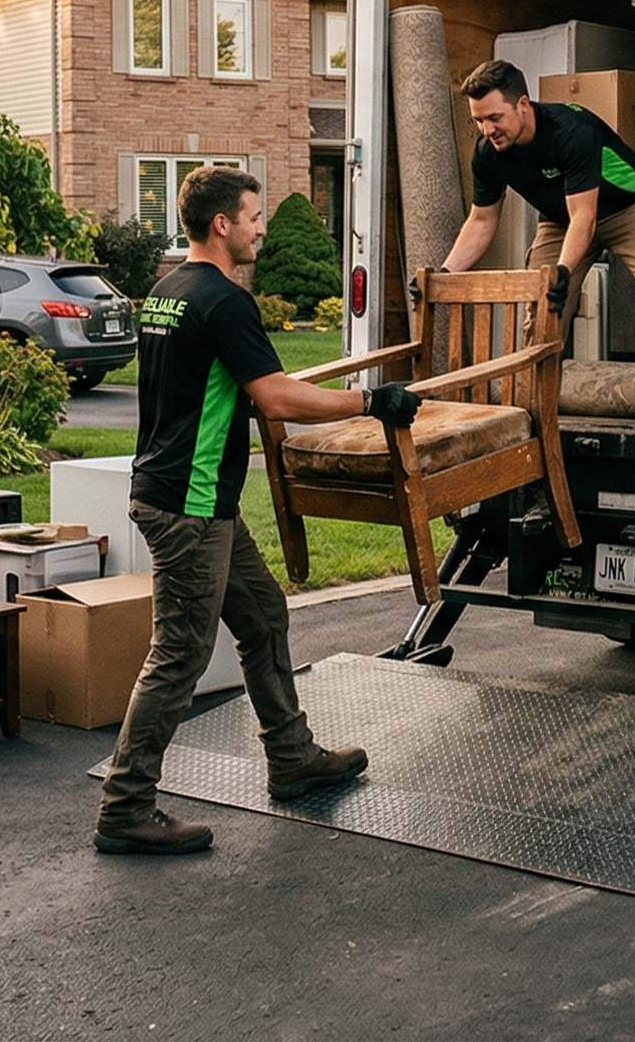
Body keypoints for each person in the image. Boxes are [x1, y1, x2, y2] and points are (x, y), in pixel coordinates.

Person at [94, 165, 421, 855]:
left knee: (263, 614)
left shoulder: (166, 292)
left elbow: (232, 388)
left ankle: (292, 758)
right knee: (179, 654)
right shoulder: (223, 301)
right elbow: (274, 398)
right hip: (190, 505)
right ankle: (125, 806)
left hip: (182, 493)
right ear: (222, 225)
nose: (262, 227)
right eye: (254, 216)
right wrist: (372, 401)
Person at [433, 59, 635, 429]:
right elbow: (481, 221)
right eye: (478, 120)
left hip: (627, 208)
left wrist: (562, 271)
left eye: (494, 117)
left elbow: (586, 218)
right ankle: (534, 410)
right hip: (562, 220)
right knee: (541, 302)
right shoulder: (489, 154)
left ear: (523, 104)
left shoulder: (570, 130)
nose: (487, 129)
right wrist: (444, 274)